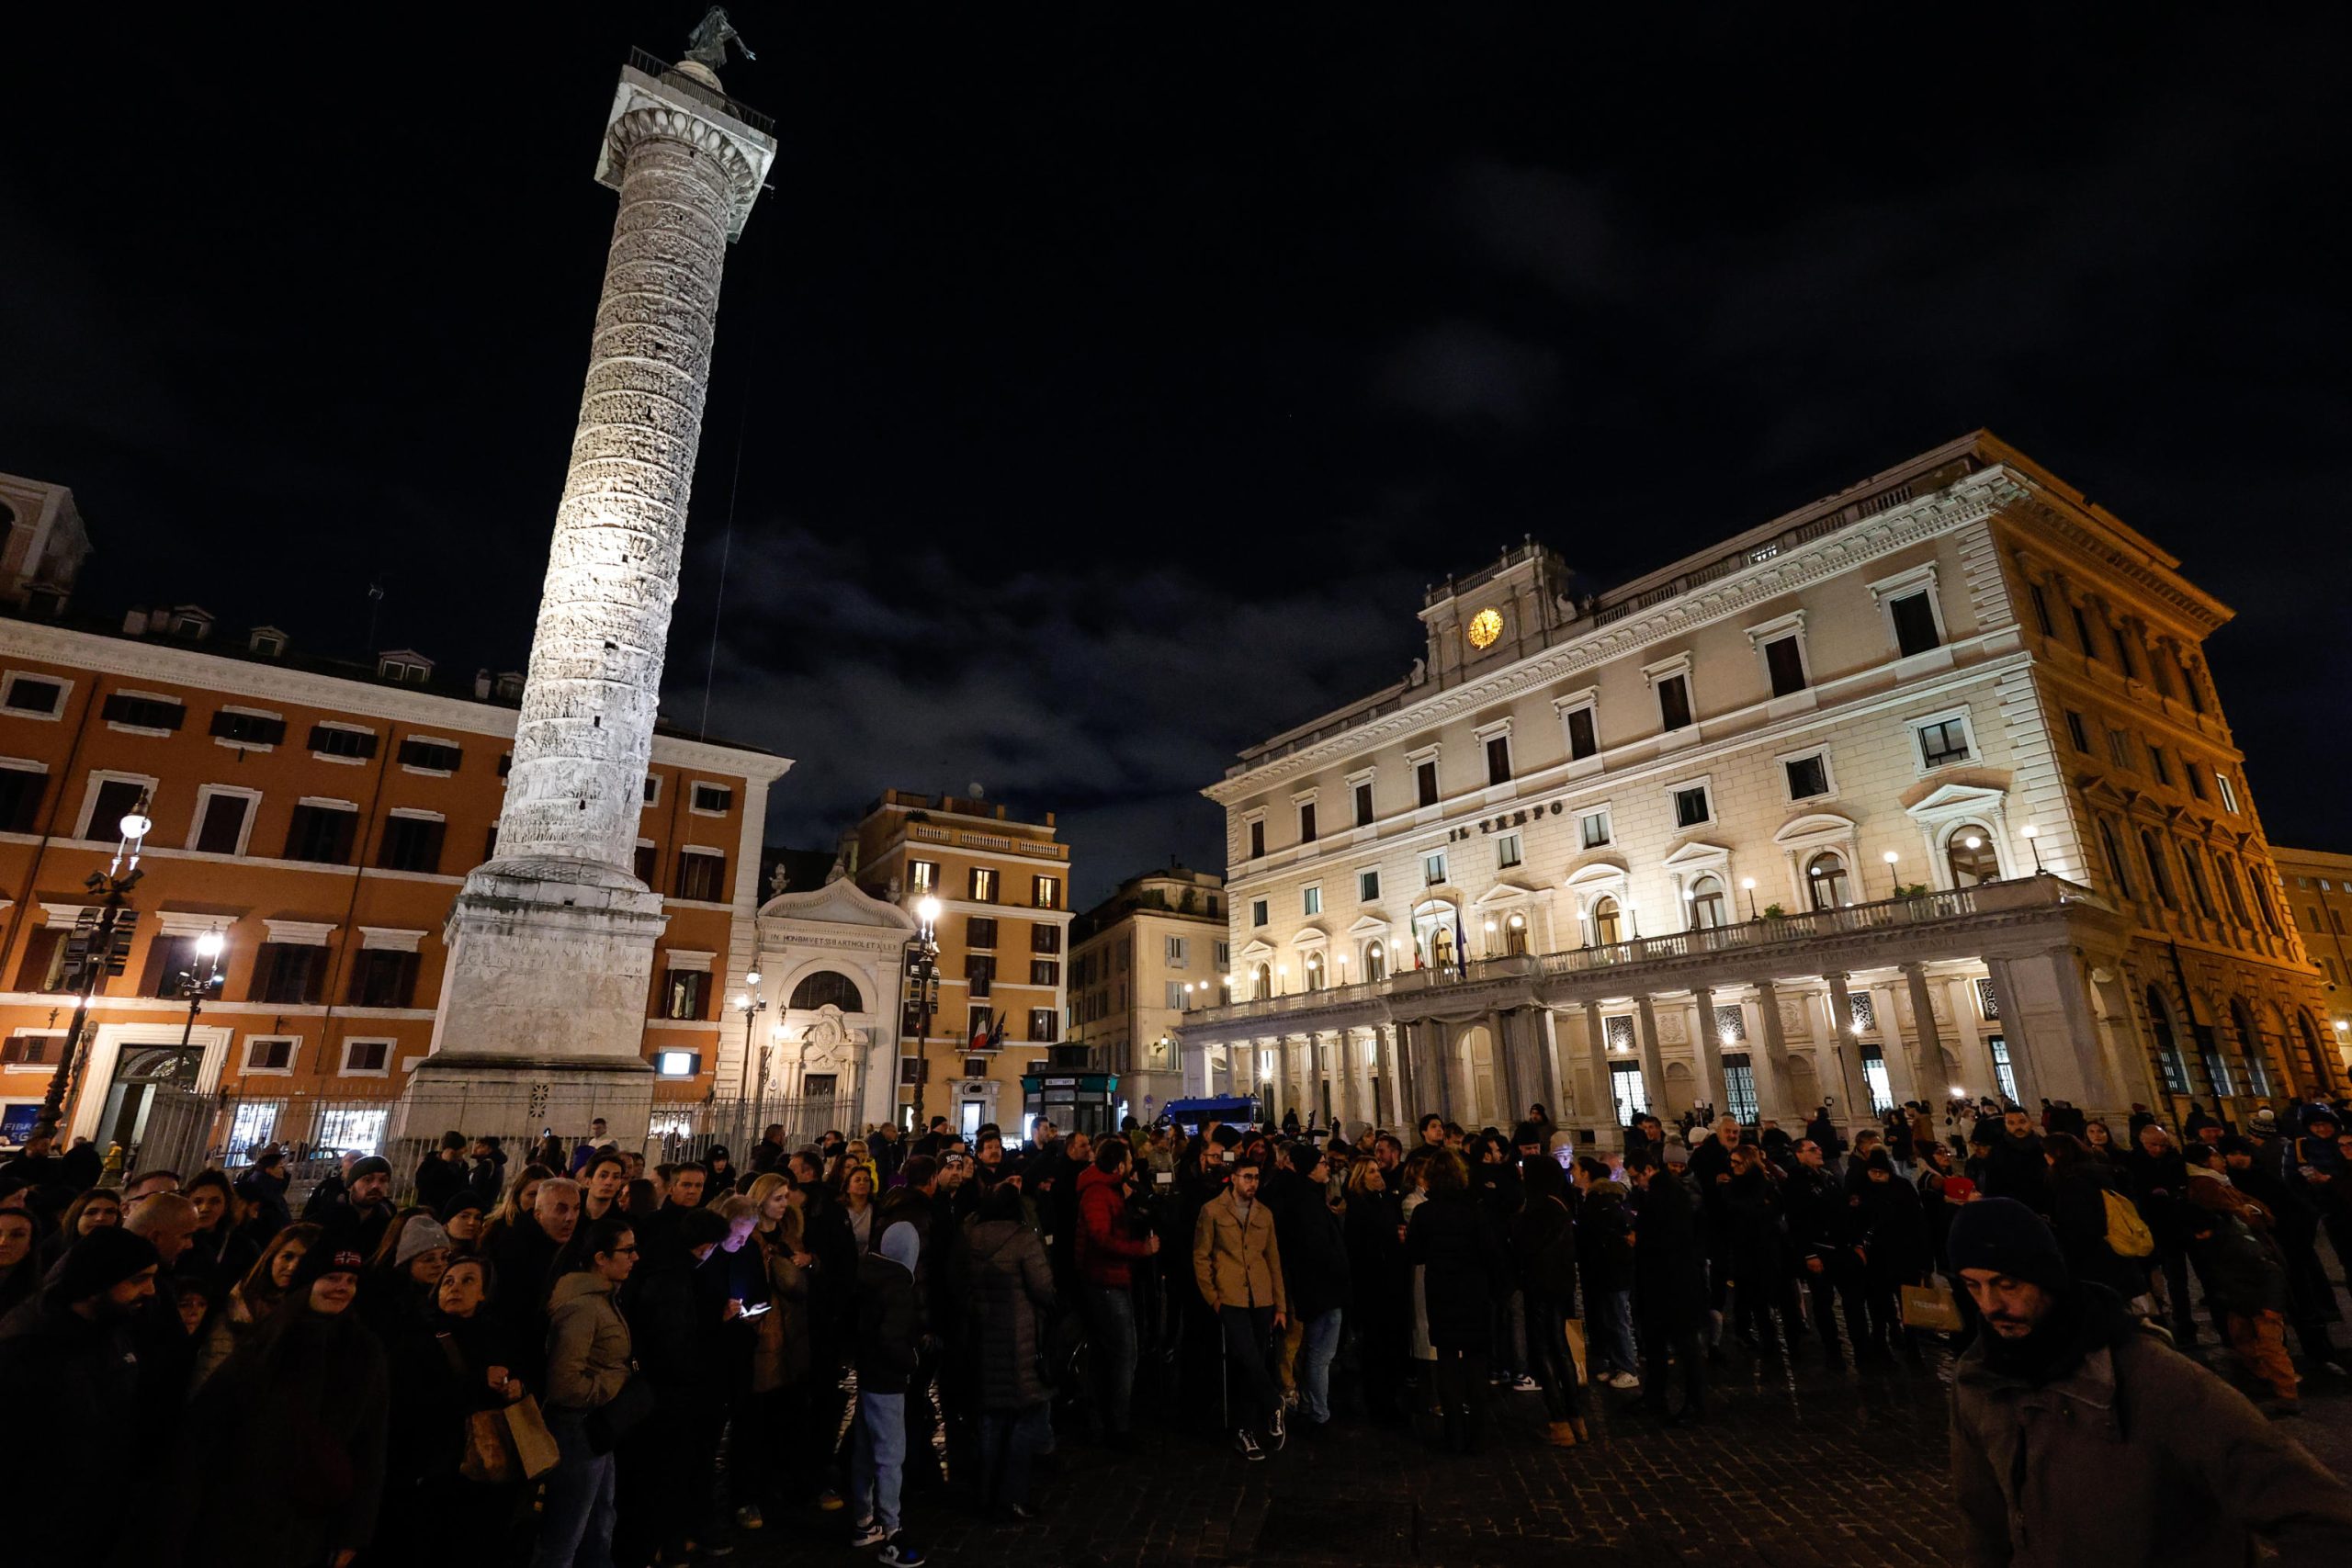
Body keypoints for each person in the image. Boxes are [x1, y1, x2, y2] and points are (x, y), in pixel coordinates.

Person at [1947, 1197, 2352, 1565]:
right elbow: (1984, 1522)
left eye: (2007, 1284)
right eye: (1972, 1285)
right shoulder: (1978, 1379)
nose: (1990, 1306)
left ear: (2047, 1277)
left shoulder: (2153, 1377)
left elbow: (2320, 1516)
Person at [164, 1245, 390, 1568]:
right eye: (332, 1277)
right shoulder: (266, 1344)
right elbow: (206, 1431)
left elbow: (370, 1446)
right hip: (242, 1512)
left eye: (351, 1281)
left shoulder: (365, 1353)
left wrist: (353, 1533)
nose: (342, 1287)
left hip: (310, 1522)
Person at [0, 1227, 162, 1559]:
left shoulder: (112, 1329)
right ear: (94, 1285)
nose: (151, 1290)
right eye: (138, 1280)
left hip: (84, 1520)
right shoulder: (28, 1347)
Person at [534, 1217, 640, 1568]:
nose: (634, 1257)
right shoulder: (582, 1307)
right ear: (600, 1258)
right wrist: (614, 1383)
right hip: (578, 1427)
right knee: (567, 1530)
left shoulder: (604, 1297)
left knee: (599, 1519)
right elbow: (565, 1383)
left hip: (596, 1426)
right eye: (626, 1250)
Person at [966, 1179, 1056, 1521]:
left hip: (984, 1334)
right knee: (1024, 1416)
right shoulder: (1022, 1239)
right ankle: (1012, 1496)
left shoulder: (970, 1237)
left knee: (991, 1418)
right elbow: (1043, 1288)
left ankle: (986, 1493)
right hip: (1019, 1336)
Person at [1406, 1148, 1505, 1453]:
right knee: (1476, 1364)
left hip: (1442, 1293)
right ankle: (1480, 1434)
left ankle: (1454, 1433)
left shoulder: (1424, 1212)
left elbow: (1415, 1254)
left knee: (1447, 1364)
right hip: (1473, 1292)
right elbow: (1491, 1253)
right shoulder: (1475, 1211)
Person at [1193, 1152, 1288, 1460]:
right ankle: (1274, 1402)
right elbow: (1201, 1255)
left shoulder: (1265, 1214)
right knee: (1246, 1358)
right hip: (1230, 1296)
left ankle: (1245, 1430)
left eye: (1256, 1177)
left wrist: (1280, 1305)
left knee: (1252, 1363)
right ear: (1233, 1178)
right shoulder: (1212, 1211)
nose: (1253, 1183)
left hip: (1260, 1297)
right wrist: (1213, 1297)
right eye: (1247, 1177)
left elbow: (1274, 1260)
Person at [849, 1220, 927, 1565]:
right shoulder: (898, 1288)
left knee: (865, 1448)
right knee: (890, 1453)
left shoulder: (867, 1274)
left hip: (868, 1374)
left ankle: (863, 1519)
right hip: (888, 1380)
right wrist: (911, 1361)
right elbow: (892, 1338)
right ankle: (892, 1529)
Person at [1076, 1134, 1159, 1447]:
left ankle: (1110, 1416)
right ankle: (1117, 1425)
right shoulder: (1097, 1193)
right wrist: (1141, 1249)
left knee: (1115, 1352)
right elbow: (1101, 1238)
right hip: (1106, 1281)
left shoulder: (1107, 1190)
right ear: (1119, 1164)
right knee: (1124, 1353)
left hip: (1112, 1279)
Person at [1270, 1139, 1350, 1431]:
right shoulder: (1307, 1202)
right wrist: (1339, 1271)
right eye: (1321, 1163)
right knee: (1320, 1353)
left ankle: (1310, 1404)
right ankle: (1318, 1410)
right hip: (1322, 1289)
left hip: (1317, 1287)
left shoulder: (1307, 1197)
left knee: (1315, 1350)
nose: (1326, 1166)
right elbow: (1317, 1248)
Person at [1510, 1156, 1589, 1447]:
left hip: (1539, 1285)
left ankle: (1559, 1421)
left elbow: (1523, 1247)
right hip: (1560, 1284)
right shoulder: (1560, 1206)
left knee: (1542, 1350)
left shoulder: (1535, 1210)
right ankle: (1576, 1418)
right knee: (1561, 1348)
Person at [1628, 1153, 1709, 1423]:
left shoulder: (1667, 1196)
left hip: (1672, 1283)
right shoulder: (1662, 1193)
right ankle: (1655, 1396)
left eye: (1637, 1176)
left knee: (1685, 1347)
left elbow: (1666, 1238)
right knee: (1656, 1345)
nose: (1636, 1182)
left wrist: (1638, 1238)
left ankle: (1694, 1404)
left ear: (1649, 1170)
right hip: (1664, 1282)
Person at [1341, 1155, 1408, 1420]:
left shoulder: (1385, 1200)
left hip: (1390, 1283)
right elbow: (1361, 1247)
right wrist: (1394, 1235)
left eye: (1377, 1169)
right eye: (1371, 1171)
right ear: (1360, 1178)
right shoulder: (1359, 1206)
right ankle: (1380, 1403)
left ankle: (1389, 1398)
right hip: (1373, 1287)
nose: (1378, 1174)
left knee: (1390, 1345)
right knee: (1377, 1348)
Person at [1571, 1157, 1638, 1388]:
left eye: (1576, 1169)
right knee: (1610, 1319)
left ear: (1587, 1174)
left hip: (1612, 1270)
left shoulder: (1601, 1201)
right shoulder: (1596, 1199)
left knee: (1618, 1319)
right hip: (1606, 1270)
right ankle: (1616, 1364)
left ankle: (1628, 1367)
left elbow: (1604, 1234)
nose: (1572, 1173)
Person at [415, 1131, 471, 1213]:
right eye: (461, 1151)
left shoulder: (462, 1166)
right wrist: (443, 1163)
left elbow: (463, 1188)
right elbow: (423, 1184)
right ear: (451, 1151)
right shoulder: (431, 1162)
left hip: (452, 1211)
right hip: (431, 1209)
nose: (463, 1154)